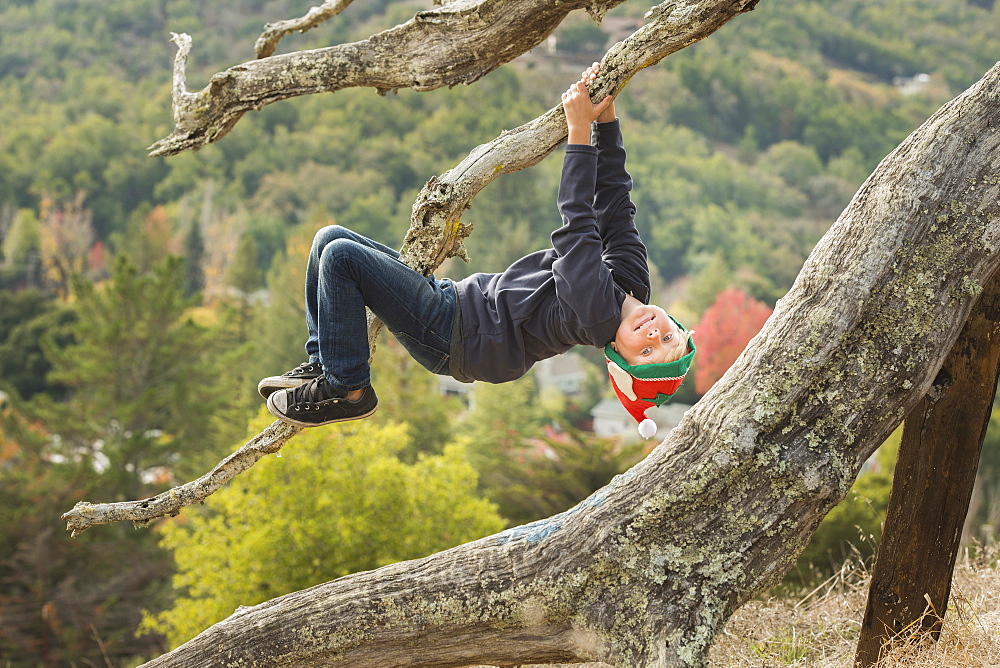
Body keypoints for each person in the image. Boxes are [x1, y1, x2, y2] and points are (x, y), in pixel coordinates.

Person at [259, 63, 696, 438]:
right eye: (668, 338)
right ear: (674, 322)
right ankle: (324, 363)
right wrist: (607, 122)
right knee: (329, 238)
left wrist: (578, 132)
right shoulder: (633, 283)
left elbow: (578, 227)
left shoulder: (596, 313)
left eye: (646, 353)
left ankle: (348, 388)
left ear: (618, 352)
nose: (654, 337)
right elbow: (616, 205)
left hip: (457, 338)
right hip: (461, 305)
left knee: (340, 259)